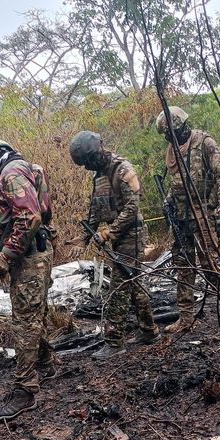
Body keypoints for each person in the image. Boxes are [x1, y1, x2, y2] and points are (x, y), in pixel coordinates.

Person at [0, 139, 56, 422]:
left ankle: (25, 391)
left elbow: (29, 218)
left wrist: (4, 257)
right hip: (34, 254)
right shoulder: (25, 169)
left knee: (24, 322)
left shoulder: (11, 174)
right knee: (33, 315)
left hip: (28, 257)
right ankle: (45, 362)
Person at [68, 131, 160, 359]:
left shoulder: (122, 169)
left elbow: (132, 208)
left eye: (88, 161)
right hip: (119, 236)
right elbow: (94, 209)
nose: (87, 167)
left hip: (132, 234)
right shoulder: (99, 175)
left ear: (97, 152)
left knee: (118, 288)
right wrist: (84, 238)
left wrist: (110, 232)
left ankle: (114, 341)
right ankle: (149, 331)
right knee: (134, 283)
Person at [155, 106, 220, 334]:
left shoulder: (204, 143)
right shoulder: (172, 151)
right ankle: (186, 318)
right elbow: (176, 183)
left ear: (182, 127)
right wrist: (168, 201)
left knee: (211, 267)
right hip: (181, 218)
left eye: (171, 133)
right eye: (166, 136)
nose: (169, 138)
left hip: (204, 215)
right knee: (184, 268)